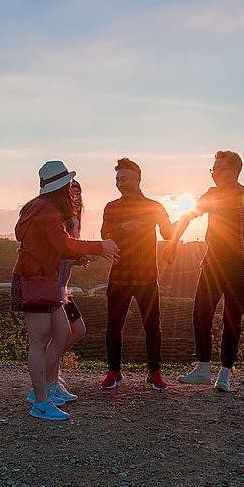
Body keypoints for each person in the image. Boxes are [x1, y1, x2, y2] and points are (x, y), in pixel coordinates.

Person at [164, 150, 244, 391]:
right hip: (212, 266)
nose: (215, 174)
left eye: (220, 169)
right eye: (213, 169)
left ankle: (225, 373)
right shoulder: (212, 195)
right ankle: (203, 368)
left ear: (235, 171)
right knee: (200, 314)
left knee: (231, 320)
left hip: (242, 267)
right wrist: (173, 242)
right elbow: (188, 215)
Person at [12, 160, 119, 421]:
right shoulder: (47, 209)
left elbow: (57, 245)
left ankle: (47, 389)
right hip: (34, 280)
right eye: (70, 186)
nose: (72, 191)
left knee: (62, 332)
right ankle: (39, 402)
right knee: (38, 342)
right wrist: (99, 246)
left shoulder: (39, 207)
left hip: (43, 279)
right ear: (62, 188)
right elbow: (63, 244)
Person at [100, 158, 175, 391]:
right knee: (113, 326)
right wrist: (123, 227)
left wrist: (181, 225)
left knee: (152, 327)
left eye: (123, 178)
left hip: (147, 277)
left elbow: (168, 232)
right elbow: (104, 235)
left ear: (137, 178)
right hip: (119, 276)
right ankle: (114, 371)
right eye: (117, 179)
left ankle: (154, 372)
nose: (119, 183)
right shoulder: (111, 207)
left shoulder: (153, 207)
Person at [55, 178, 90, 389]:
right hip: (54, 286)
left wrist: (78, 257)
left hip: (62, 287)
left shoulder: (75, 218)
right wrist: (92, 250)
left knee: (75, 331)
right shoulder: (61, 219)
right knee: (65, 333)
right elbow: (62, 247)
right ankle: (48, 382)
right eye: (71, 192)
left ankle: (51, 377)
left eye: (78, 192)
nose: (75, 196)